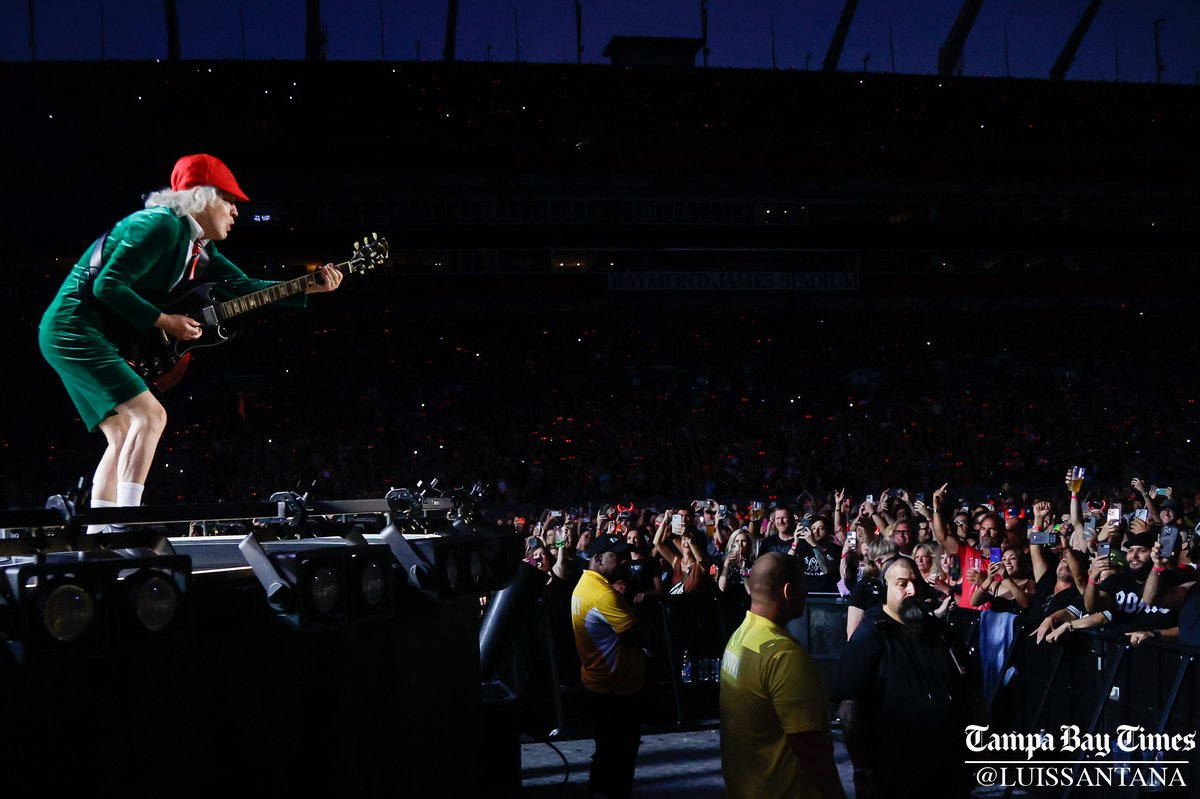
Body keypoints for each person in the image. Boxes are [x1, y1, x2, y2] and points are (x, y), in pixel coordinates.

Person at [39, 154, 342, 532]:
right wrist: (166, 321)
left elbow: (245, 287)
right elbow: (107, 286)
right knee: (151, 416)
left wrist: (308, 286)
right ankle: (126, 522)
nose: (236, 211)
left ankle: (101, 531)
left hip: (75, 330)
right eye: (229, 201)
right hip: (75, 328)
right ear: (202, 197)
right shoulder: (160, 226)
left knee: (120, 434)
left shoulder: (197, 246)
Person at [833, 557, 976, 798]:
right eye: (902, 584)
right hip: (896, 770)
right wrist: (862, 769)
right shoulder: (869, 637)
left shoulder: (942, 632)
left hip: (948, 767)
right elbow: (849, 709)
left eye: (915, 583)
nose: (912, 590)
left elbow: (970, 689)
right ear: (885, 588)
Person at [719, 552, 846, 799]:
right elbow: (810, 749)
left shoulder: (740, 636)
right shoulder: (784, 656)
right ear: (788, 591)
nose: (806, 593)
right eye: (803, 585)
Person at [570, 532, 647, 799]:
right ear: (598, 560)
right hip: (616, 690)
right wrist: (626, 602)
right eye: (617, 556)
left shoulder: (584, 585)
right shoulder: (605, 596)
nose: (624, 561)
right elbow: (637, 636)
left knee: (605, 750)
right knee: (621, 754)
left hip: (598, 684)